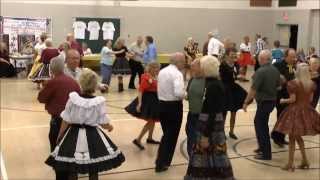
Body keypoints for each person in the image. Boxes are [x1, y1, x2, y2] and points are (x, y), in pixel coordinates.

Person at [45, 68, 125, 180]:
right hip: (93, 136)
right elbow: (103, 122)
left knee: (73, 168)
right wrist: (110, 127)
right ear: (95, 85)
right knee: (93, 169)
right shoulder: (99, 101)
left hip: (73, 135)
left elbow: (66, 119)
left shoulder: (73, 98)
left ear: (81, 83)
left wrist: (60, 136)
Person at [185, 55, 235, 180]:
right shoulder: (211, 83)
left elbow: (212, 112)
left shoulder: (213, 86)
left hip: (210, 126)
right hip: (208, 124)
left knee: (216, 154)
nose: (198, 68)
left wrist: (206, 135)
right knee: (207, 154)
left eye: (201, 66)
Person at [37, 56, 81, 179]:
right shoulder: (73, 81)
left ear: (51, 69)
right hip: (74, 123)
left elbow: (41, 98)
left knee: (58, 153)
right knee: (72, 153)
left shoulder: (53, 82)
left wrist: (43, 87)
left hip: (58, 123)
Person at [274, 63, 320, 172]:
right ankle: (304, 161)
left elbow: (293, 100)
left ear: (298, 71)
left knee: (292, 138)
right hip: (307, 111)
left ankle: (290, 164)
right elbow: (310, 100)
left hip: (295, 112)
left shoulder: (293, 84)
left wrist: (283, 100)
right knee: (297, 137)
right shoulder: (311, 84)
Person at [243, 50, 280, 160]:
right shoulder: (275, 70)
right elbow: (279, 86)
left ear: (262, 59)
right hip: (272, 101)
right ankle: (262, 147)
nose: (258, 60)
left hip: (264, 103)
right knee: (262, 124)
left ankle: (266, 153)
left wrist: (246, 102)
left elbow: (253, 90)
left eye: (259, 58)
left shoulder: (260, 71)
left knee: (261, 127)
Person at [155, 52, 185, 173]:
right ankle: (161, 162)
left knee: (167, 133)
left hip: (162, 105)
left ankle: (164, 161)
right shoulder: (177, 74)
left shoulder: (162, 71)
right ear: (178, 62)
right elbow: (179, 93)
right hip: (174, 107)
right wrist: (186, 94)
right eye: (183, 61)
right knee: (170, 136)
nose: (184, 63)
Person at [125, 62, 161, 150]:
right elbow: (140, 91)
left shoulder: (155, 77)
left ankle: (149, 138)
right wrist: (140, 103)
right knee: (151, 120)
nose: (158, 70)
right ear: (151, 68)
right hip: (147, 101)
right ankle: (138, 139)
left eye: (158, 68)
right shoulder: (146, 77)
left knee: (153, 120)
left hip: (154, 100)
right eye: (156, 68)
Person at [220, 47, 247, 139]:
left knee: (233, 111)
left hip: (233, 88)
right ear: (227, 55)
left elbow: (238, 73)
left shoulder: (236, 64)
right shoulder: (223, 64)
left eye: (235, 55)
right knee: (224, 112)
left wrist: (240, 75)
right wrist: (236, 77)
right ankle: (222, 131)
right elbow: (223, 77)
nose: (234, 56)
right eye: (232, 55)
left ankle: (231, 131)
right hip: (225, 89)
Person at [271, 49, 296, 148]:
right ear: (285, 56)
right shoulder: (277, 65)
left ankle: (280, 137)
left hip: (288, 95)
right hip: (280, 96)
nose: (294, 59)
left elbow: (291, 77)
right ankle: (277, 137)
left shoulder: (290, 65)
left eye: (294, 57)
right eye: (291, 57)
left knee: (285, 118)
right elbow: (275, 79)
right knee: (281, 117)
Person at [185, 58, 205, 157]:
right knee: (190, 136)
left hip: (202, 116)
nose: (191, 68)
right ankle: (192, 160)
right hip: (191, 113)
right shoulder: (192, 79)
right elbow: (188, 95)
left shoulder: (207, 81)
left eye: (193, 66)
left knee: (197, 139)